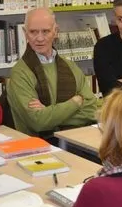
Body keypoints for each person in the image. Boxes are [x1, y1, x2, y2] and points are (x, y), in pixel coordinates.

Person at [8, 8, 101, 137]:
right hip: (37, 147)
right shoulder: (20, 73)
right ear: (25, 33)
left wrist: (50, 114)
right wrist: (76, 102)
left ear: (56, 31)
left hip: (75, 140)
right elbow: (38, 122)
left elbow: (92, 110)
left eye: (45, 31)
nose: (39, 38)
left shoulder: (70, 66)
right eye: (33, 32)